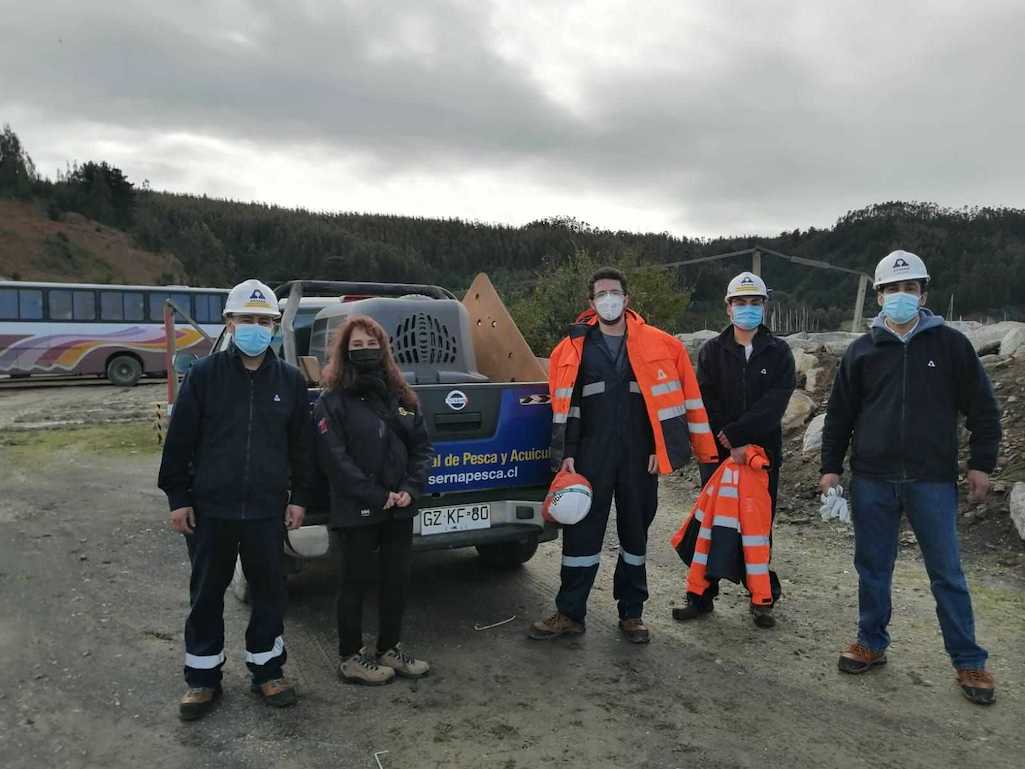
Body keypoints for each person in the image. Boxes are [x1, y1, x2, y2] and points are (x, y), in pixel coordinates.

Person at [820, 250, 1001, 706]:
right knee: (873, 568)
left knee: (947, 573)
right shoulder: (863, 351)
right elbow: (839, 415)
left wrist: (981, 463)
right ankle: (871, 642)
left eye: (910, 288)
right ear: (878, 296)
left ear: (923, 293)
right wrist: (829, 468)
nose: (901, 296)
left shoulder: (952, 346)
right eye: (892, 289)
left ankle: (968, 659)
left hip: (932, 479)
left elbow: (983, 408)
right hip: (872, 480)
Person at [529, 267, 719, 644]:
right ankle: (570, 613)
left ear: (627, 299)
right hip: (589, 455)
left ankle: (632, 615)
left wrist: (665, 450)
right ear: (591, 302)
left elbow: (679, 402)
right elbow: (567, 407)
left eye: (614, 292)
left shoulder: (662, 345)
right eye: (601, 294)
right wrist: (567, 455)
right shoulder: (571, 348)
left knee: (635, 533)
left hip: (639, 454)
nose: (608, 299)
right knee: (581, 535)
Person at [158, 278, 313, 721]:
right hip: (211, 511)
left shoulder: (289, 380)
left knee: (269, 592)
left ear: (275, 326)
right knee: (207, 593)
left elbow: (302, 448)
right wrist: (178, 497)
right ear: (229, 322)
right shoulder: (204, 376)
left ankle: (267, 670)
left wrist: (300, 497)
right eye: (248, 319)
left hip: (266, 512)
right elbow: (180, 442)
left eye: (265, 321)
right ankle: (202, 679)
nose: (256, 328)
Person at [313, 315, 434, 685]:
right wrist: (376, 495)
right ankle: (350, 657)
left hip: (399, 508)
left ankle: (389, 648)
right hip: (357, 508)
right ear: (344, 352)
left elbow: (423, 448)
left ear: (383, 349)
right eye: (357, 346)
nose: (365, 352)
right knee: (354, 582)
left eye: (371, 345)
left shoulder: (402, 396)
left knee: (396, 580)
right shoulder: (332, 401)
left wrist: (409, 491)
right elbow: (335, 460)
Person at [674, 271, 795, 628]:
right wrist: (731, 439)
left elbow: (777, 401)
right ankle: (701, 595)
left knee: (758, 525)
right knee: (712, 523)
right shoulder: (712, 351)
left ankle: (761, 595)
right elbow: (705, 400)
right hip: (719, 453)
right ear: (728, 309)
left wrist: (742, 436)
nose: (747, 309)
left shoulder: (779, 352)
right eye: (740, 302)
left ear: (764, 306)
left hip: (761, 455)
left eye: (754, 302)